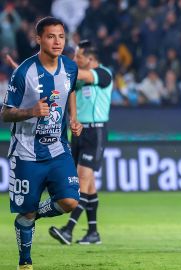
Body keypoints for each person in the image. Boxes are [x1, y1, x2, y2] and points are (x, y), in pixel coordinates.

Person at [1, 17, 82, 270]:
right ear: (38, 39)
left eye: (61, 36)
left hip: (58, 148)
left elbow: (70, 91)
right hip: (26, 152)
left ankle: (35, 213)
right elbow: (5, 113)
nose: (57, 42)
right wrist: (31, 111)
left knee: (69, 202)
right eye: (50, 36)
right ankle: (25, 263)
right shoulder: (24, 72)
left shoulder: (70, 67)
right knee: (24, 215)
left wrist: (74, 118)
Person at [49, 40, 113, 245]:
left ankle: (68, 230)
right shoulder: (78, 76)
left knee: (81, 180)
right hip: (78, 133)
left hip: (96, 132)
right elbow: (69, 91)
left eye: (79, 57)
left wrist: (56, 63)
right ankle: (93, 233)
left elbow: (77, 75)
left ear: (91, 59)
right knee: (89, 185)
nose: (75, 60)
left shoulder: (103, 74)